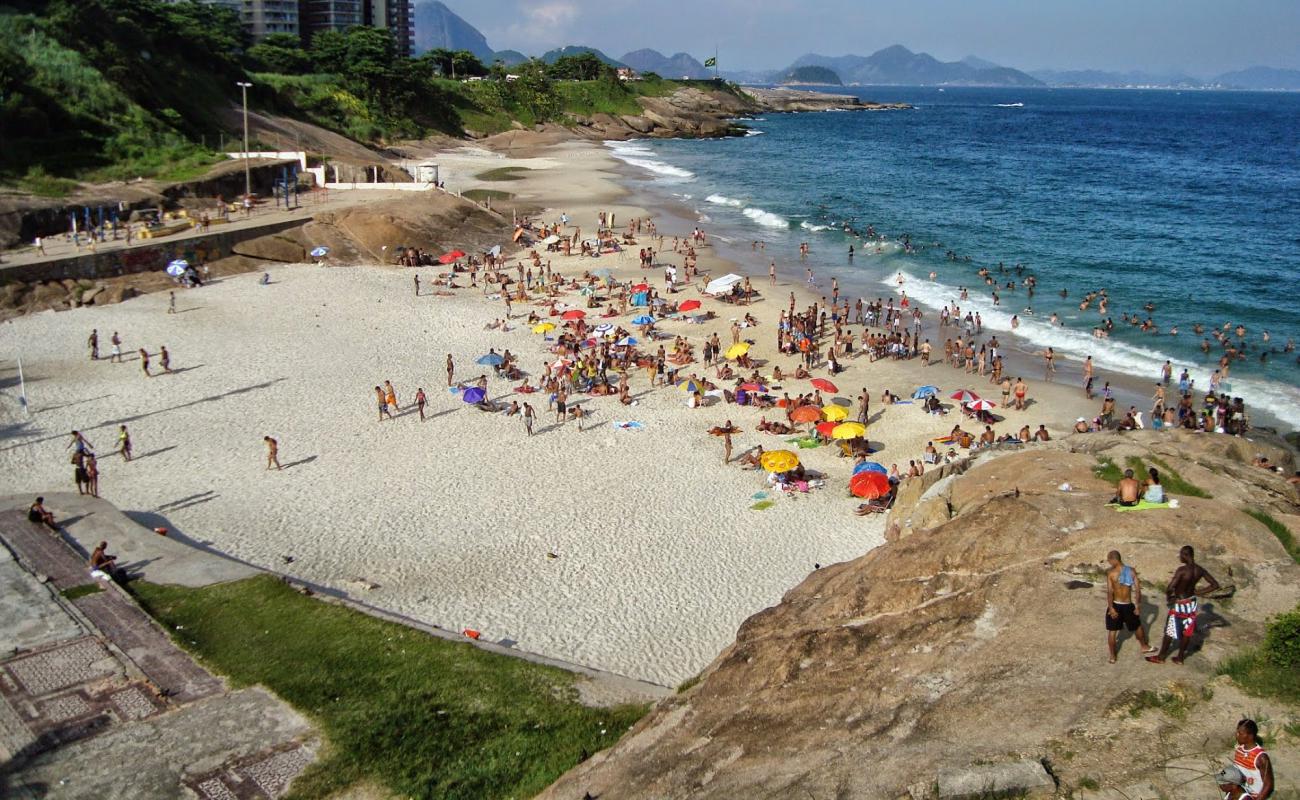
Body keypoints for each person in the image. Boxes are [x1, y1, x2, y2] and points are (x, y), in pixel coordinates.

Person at [1147, 545, 1220, 664]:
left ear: (1185, 555)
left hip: (1179, 603)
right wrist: (1198, 592)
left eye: (1181, 554)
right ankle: (1180, 658)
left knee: (1169, 631)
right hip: (1191, 603)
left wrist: (1169, 598)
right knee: (1187, 631)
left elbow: (1171, 587)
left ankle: (1161, 657)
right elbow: (1215, 585)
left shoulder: (1182, 570)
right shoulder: (1199, 570)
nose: (1179, 557)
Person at [1104, 550, 1154, 663]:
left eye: (1109, 560)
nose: (1109, 562)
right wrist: (1137, 606)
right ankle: (1144, 646)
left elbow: (1110, 592)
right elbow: (1137, 590)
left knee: (1112, 631)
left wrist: (1111, 608)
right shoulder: (1131, 571)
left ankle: (1112, 656)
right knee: (1137, 626)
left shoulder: (1111, 573)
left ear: (1114, 559)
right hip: (1127, 605)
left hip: (1116, 605)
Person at [1217, 719, 1274, 800]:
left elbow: (1268, 785)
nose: (1236, 735)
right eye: (1237, 732)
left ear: (1250, 736)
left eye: (1240, 733)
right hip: (1241, 794)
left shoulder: (1261, 757)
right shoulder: (1239, 750)